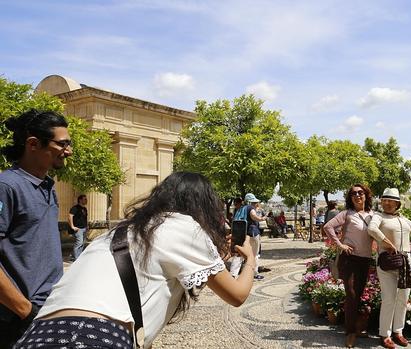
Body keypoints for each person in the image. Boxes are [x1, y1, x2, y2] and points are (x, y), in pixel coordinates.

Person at [15, 172, 255, 348]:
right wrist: (251, 259)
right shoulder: (184, 226)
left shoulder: (123, 231)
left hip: (37, 333)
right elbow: (236, 295)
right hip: (94, 335)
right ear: (204, 206)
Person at [0, 109, 72, 348]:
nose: (68, 151)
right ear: (33, 144)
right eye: (62, 144)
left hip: (48, 309)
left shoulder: (48, 186)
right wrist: (24, 309)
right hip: (14, 318)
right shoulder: (7, 186)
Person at [368, 188, 411, 349]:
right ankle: (384, 334)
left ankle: (398, 332)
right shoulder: (378, 216)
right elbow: (371, 229)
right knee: (389, 299)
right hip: (387, 262)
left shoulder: (403, 219)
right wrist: (387, 243)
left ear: (397, 203)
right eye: (384, 200)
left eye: (390, 200)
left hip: (406, 262)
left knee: (402, 298)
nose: (386, 203)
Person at [323, 184, 374, 348]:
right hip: (349, 259)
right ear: (350, 198)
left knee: (357, 294)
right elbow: (328, 226)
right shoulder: (347, 214)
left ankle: (357, 327)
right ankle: (350, 332)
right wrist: (339, 245)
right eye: (353, 194)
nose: (357, 195)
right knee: (351, 294)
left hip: (365, 260)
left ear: (366, 195)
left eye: (360, 192)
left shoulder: (373, 215)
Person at [229, 193, 268, 280]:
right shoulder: (250, 208)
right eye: (254, 202)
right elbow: (254, 216)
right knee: (255, 254)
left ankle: (233, 274)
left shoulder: (239, 209)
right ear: (251, 202)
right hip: (252, 233)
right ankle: (254, 273)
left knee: (239, 253)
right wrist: (262, 218)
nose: (255, 204)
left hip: (242, 233)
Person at [68, 194, 88, 260]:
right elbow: (70, 217)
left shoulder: (85, 209)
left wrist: (87, 226)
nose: (86, 200)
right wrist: (72, 226)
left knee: (82, 243)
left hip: (84, 228)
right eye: (85, 199)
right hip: (78, 229)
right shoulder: (75, 208)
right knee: (79, 243)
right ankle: (76, 259)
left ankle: (76, 256)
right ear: (80, 200)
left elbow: (85, 218)